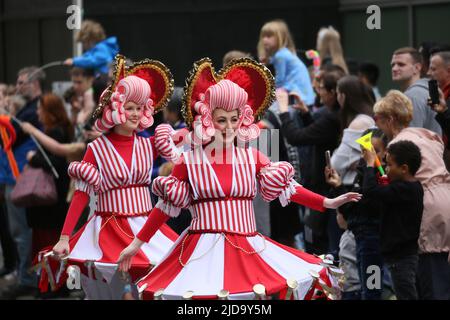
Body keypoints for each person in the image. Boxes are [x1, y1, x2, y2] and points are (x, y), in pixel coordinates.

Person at [117, 57, 361, 300]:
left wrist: (327, 203)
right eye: (221, 120)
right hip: (202, 253)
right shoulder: (188, 161)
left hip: (248, 248)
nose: (229, 127)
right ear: (207, 120)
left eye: (234, 119)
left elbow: (289, 189)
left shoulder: (252, 156)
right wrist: (136, 244)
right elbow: (163, 208)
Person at [38, 55, 179, 300]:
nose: (135, 114)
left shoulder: (150, 144)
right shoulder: (97, 148)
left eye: (139, 108)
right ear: (114, 110)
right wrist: (64, 237)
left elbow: (187, 136)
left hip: (145, 226)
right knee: (114, 289)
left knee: (150, 285)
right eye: (129, 108)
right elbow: (81, 194)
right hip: (107, 229)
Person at [374, 90, 450, 300]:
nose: (377, 126)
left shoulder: (398, 147)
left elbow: (390, 189)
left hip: (428, 206)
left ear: (389, 119)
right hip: (446, 199)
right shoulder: (424, 134)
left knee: (430, 280)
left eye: (377, 119)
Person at [278, 66, 346, 255]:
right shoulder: (331, 116)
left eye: (321, 88)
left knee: (323, 245)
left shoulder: (331, 118)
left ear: (334, 92)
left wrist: (283, 112)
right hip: (324, 186)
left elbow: (297, 137)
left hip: (326, 187)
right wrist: (306, 114)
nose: (318, 91)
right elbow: (318, 135)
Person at [326, 128, 387, 300]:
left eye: (375, 151)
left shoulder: (383, 178)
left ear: (386, 152)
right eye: (365, 151)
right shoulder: (362, 175)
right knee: (364, 289)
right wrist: (338, 187)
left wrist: (369, 167)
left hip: (373, 244)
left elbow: (371, 200)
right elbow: (351, 213)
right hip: (361, 242)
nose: (368, 155)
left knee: (372, 290)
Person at [362, 140, 423, 300]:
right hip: (400, 255)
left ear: (404, 169)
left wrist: (369, 164)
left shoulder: (404, 189)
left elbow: (370, 191)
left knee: (406, 295)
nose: (386, 169)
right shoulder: (410, 187)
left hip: (401, 258)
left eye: (389, 165)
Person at [257, 19, 315, 106]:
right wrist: (269, 61)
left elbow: (280, 80)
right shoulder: (283, 53)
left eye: (269, 36)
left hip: (298, 93)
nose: (265, 40)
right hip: (303, 94)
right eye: (263, 36)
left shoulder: (280, 56)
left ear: (280, 37)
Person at [391, 47, 441, 134]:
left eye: (401, 64)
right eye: (393, 65)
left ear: (417, 68)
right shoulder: (428, 90)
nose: (394, 69)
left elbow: (411, 137)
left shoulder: (413, 96)